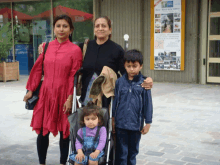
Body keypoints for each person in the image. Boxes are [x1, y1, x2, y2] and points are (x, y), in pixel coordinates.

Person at [38, 16, 153, 109]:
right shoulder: (85, 46)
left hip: (106, 98)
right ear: (94, 29)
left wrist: (144, 79)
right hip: (86, 96)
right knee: (86, 130)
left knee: (102, 131)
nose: (100, 28)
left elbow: (127, 71)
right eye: (97, 26)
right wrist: (45, 47)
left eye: (104, 26)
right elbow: (64, 53)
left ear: (110, 29)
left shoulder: (117, 49)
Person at [23, 15, 82, 165]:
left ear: (71, 30)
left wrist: (70, 98)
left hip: (64, 94)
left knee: (65, 132)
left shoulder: (75, 50)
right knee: (43, 131)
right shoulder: (46, 46)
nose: (61, 29)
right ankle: (41, 162)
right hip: (45, 94)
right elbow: (37, 70)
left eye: (65, 26)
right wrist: (30, 89)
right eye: (58, 26)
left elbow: (73, 76)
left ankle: (63, 162)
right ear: (54, 29)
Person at [112, 49, 153, 165]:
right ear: (124, 66)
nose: (131, 69)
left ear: (140, 66)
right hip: (121, 125)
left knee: (132, 152)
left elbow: (148, 103)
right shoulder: (119, 82)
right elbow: (116, 102)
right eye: (128, 66)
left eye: (134, 66)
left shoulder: (144, 83)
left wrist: (148, 122)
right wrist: (113, 119)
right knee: (121, 153)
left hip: (136, 125)